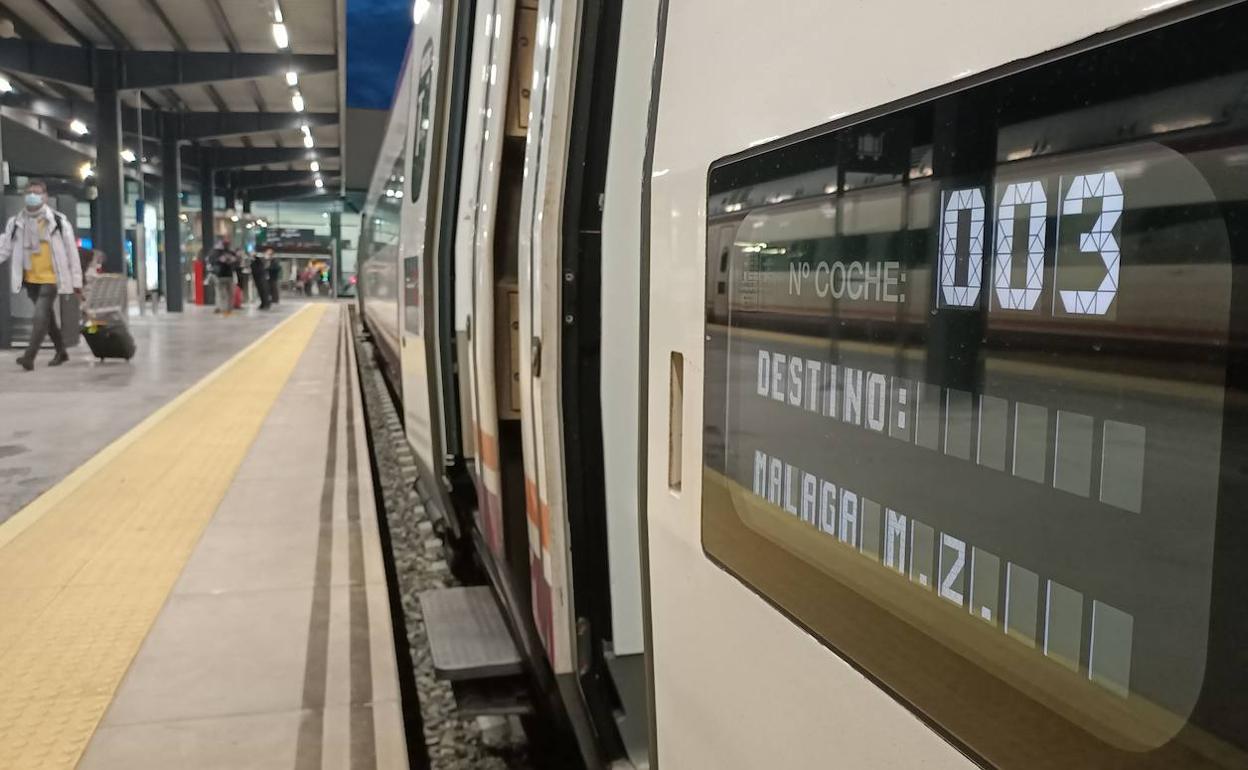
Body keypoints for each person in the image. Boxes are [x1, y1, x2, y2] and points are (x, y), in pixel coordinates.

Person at [0, 179, 83, 370]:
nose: (32, 196)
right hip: (30, 279)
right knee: (47, 318)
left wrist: (76, 281)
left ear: (45, 196)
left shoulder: (59, 221)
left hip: (52, 278)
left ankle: (29, 357)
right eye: (29, 192)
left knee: (39, 316)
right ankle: (61, 351)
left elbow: (71, 252)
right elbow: (4, 248)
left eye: (37, 193)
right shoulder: (16, 222)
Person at [207, 238, 238, 316]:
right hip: (221, 275)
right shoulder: (217, 252)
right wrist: (221, 260)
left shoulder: (216, 252)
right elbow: (212, 261)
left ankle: (225, 309)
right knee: (224, 293)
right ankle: (224, 309)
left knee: (225, 294)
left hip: (225, 275)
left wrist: (231, 260)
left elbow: (236, 260)